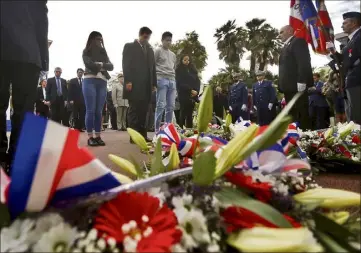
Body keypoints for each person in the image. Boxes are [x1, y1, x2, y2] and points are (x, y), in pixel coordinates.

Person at [0, 1, 49, 172]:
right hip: (28, 54)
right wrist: (44, 61)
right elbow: (41, 23)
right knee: (24, 110)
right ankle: (16, 161)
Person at [122, 27, 157, 143]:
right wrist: (128, 81)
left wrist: (154, 83)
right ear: (140, 35)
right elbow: (126, 65)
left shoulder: (150, 50)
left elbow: (153, 68)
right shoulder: (129, 47)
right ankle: (134, 136)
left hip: (146, 86)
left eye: (148, 37)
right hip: (134, 84)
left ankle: (143, 135)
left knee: (144, 111)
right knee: (134, 111)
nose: (147, 39)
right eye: (145, 37)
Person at [326, 12, 361, 124]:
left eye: (345, 23)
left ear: (354, 23)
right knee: (353, 117)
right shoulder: (351, 40)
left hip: (358, 81)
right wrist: (333, 51)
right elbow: (345, 59)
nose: (342, 26)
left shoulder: (359, 37)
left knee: (357, 118)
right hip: (351, 81)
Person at [278, 25, 313, 130]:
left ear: (289, 31)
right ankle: (294, 137)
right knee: (292, 115)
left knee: (301, 113)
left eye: (281, 32)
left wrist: (302, 81)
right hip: (289, 88)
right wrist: (281, 86)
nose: (279, 35)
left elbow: (303, 62)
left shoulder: (297, 42)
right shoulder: (286, 46)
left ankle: (305, 137)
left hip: (297, 86)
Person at [82, 31, 114, 146]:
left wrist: (99, 64)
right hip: (89, 80)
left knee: (99, 111)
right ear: (91, 40)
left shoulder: (103, 52)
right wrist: (102, 65)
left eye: (101, 39)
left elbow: (111, 66)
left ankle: (98, 136)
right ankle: (90, 136)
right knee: (90, 110)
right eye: (97, 39)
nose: (99, 41)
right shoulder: (86, 51)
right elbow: (89, 64)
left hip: (102, 82)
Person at [154, 32, 177, 132]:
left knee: (171, 106)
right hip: (161, 79)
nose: (168, 42)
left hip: (172, 79)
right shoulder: (158, 50)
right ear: (162, 40)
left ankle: (168, 129)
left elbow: (174, 67)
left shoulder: (173, 55)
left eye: (170, 40)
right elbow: (152, 66)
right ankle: (157, 129)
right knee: (160, 105)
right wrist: (153, 82)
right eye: (167, 40)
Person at [175, 55, 200, 128]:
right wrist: (190, 90)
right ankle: (181, 129)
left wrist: (196, 91)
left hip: (193, 95)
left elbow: (197, 81)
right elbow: (180, 83)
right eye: (185, 60)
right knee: (183, 113)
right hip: (183, 94)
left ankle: (190, 130)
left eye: (188, 60)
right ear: (181, 60)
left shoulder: (193, 70)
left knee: (190, 114)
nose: (187, 62)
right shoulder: (179, 70)